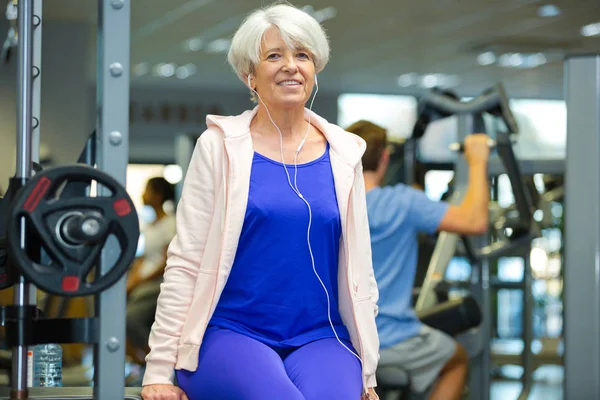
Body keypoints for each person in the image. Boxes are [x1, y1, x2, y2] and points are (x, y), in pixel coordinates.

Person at [141, 4, 380, 400]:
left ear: (315, 68)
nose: (291, 66)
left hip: (324, 337)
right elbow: (185, 261)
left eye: (302, 55)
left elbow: (361, 270)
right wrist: (158, 369)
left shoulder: (344, 153)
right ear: (248, 75)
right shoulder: (219, 147)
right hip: (230, 332)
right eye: (274, 56)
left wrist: (367, 375)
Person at [346, 120, 490, 400]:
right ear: (385, 157)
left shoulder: (334, 203)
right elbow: (475, 221)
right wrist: (477, 161)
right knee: (457, 358)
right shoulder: (404, 202)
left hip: (344, 339)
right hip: (390, 337)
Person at [126, 177, 177, 365]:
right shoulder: (149, 225)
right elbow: (142, 259)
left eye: (147, 190)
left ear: (158, 195)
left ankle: (158, 363)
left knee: (129, 318)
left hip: (158, 283)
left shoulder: (171, 223)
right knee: (112, 316)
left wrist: (139, 281)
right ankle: (138, 363)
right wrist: (130, 282)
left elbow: (167, 260)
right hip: (143, 282)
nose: (142, 195)